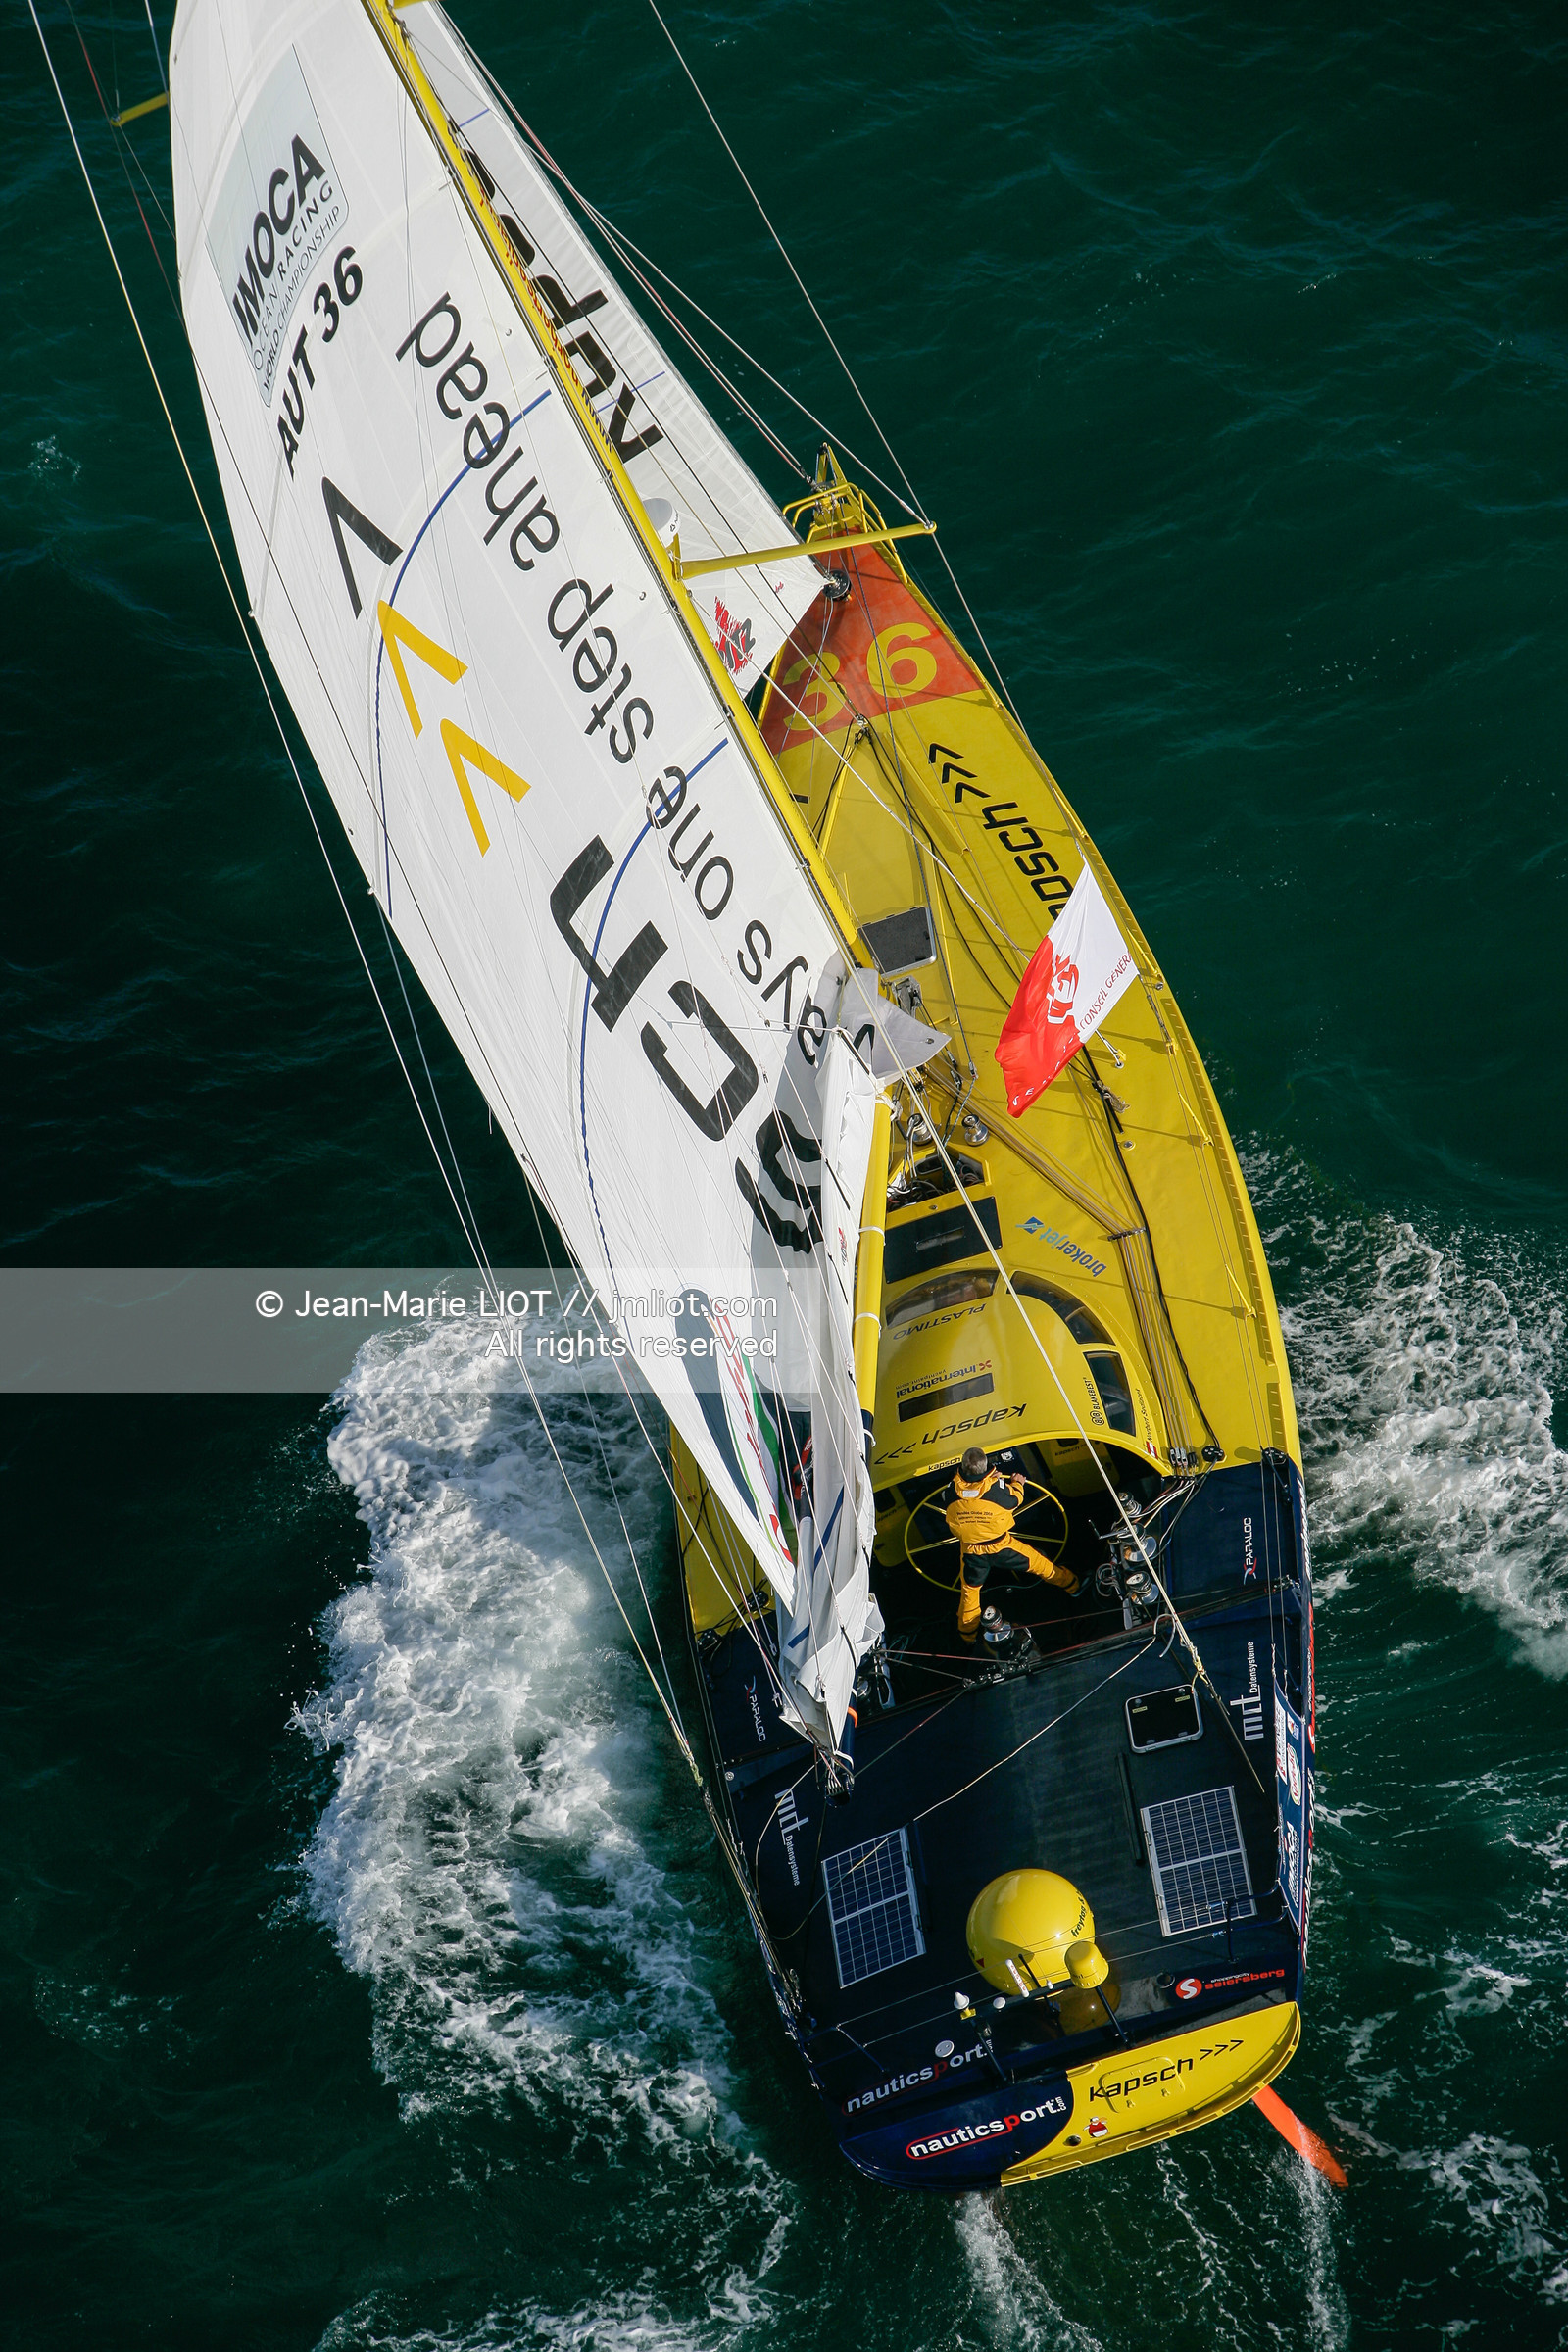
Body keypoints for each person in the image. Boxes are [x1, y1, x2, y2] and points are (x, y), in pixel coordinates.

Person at [945, 1446, 1080, 1642]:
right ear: (985, 1468)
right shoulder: (997, 1491)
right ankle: (1073, 1586)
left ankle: (967, 1635)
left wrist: (990, 1479)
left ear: (963, 1467)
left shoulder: (950, 1492)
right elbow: (1015, 1500)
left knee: (969, 1593)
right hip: (1002, 1546)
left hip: (972, 1552)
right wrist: (1016, 1483)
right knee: (1042, 1565)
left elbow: (962, 1496)